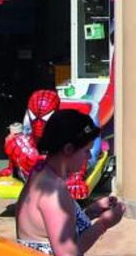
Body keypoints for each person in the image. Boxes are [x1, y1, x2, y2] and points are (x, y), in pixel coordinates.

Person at [15, 109, 125, 255]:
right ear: (68, 149)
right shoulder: (53, 192)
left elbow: (56, 225)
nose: (89, 156)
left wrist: (91, 212)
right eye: (86, 151)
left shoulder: (42, 171)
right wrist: (103, 224)